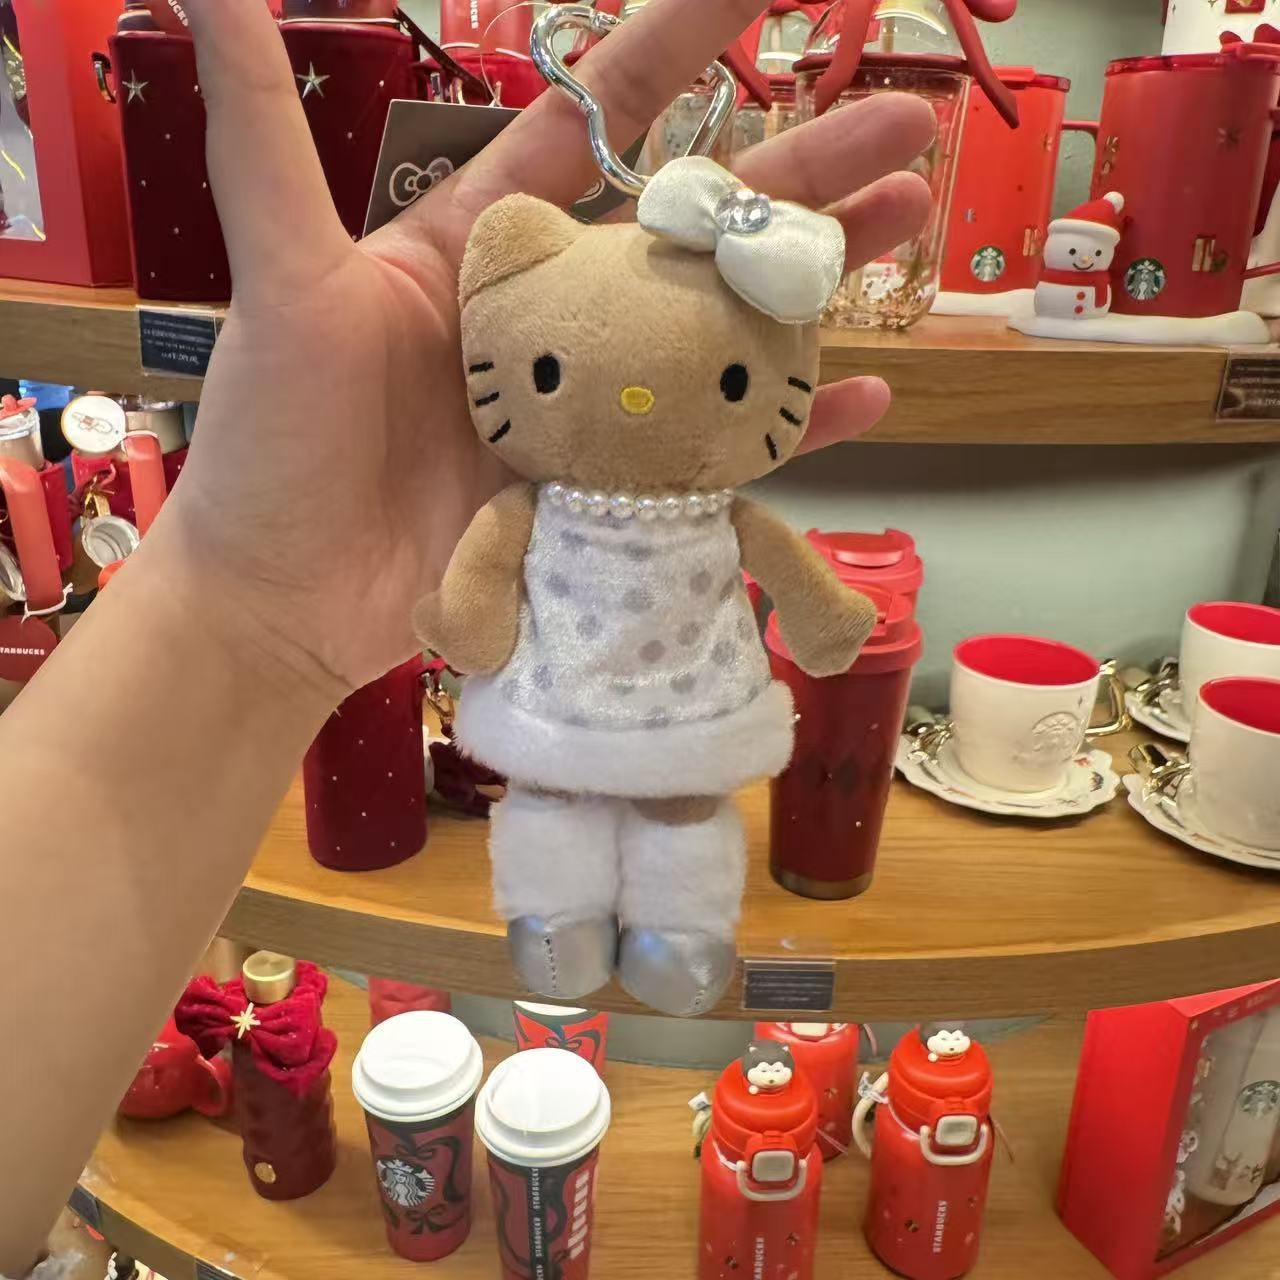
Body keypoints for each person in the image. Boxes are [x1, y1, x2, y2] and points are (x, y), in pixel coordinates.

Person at [0, 0, 932, 1272]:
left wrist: (825, 612)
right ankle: (563, 927)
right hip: (563, 715)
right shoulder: (523, 502)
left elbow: (773, 558)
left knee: (678, 826)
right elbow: (489, 562)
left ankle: (677, 939)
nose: (642, 396)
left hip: (684, 718)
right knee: (551, 816)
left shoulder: (708, 512)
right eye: (547, 374)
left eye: (727, 382)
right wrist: (335, 608)